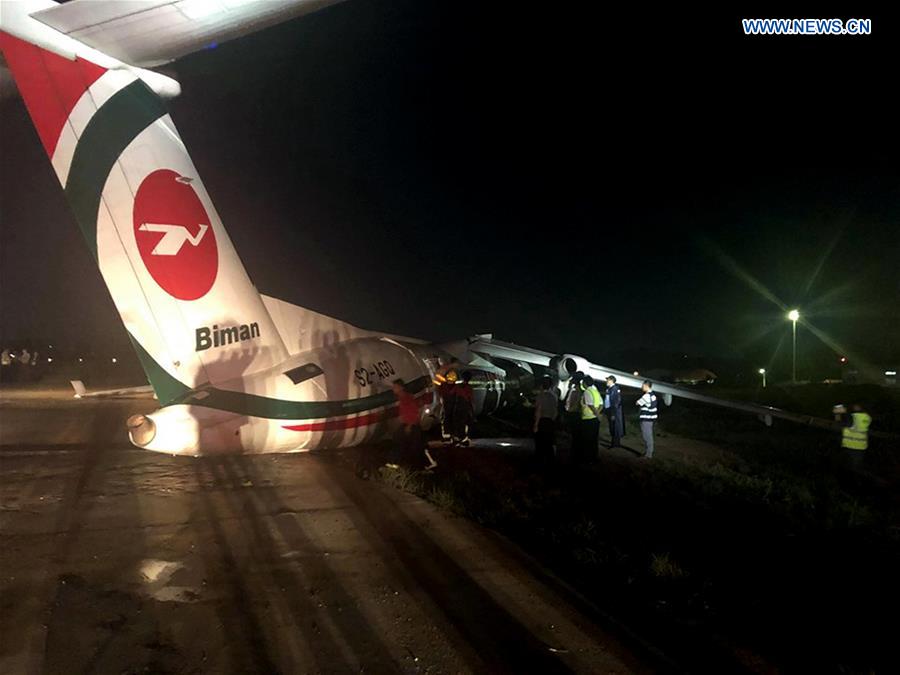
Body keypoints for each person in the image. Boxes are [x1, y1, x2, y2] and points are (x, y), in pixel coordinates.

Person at [392, 379, 437, 469]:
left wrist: (410, 425)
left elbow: (414, 412)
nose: (393, 389)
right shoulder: (402, 398)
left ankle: (426, 464)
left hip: (412, 426)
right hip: (407, 425)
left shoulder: (407, 398)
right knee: (403, 443)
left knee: (415, 447)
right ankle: (402, 463)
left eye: (395, 387)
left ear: (401, 387)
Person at [533, 376, 559, 462]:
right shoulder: (554, 396)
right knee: (549, 443)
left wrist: (536, 425)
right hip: (551, 421)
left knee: (540, 443)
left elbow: (539, 410)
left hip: (542, 421)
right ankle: (550, 461)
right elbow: (555, 411)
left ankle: (539, 461)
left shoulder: (540, 396)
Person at [840, 403, 872, 472]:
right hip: (861, 447)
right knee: (856, 467)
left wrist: (838, 414)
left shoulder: (852, 417)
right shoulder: (867, 417)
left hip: (849, 446)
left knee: (847, 468)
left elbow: (840, 422)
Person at [578, 376, 602, 462]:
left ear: (585, 383)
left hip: (588, 419)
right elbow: (601, 404)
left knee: (587, 440)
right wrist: (598, 414)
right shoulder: (595, 391)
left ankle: (587, 458)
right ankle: (594, 457)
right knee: (594, 440)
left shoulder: (587, 392)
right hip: (594, 419)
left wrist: (596, 414)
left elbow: (590, 405)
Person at [451, 371, 475, 446]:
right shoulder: (469, 387)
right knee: (464, 422)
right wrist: (472, 409)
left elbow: (451, 393)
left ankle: (456, 437)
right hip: (465, 406)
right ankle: (463, 438)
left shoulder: (457, 386)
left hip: (457, 405)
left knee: (456, 422)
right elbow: (470, 399)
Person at [636, 380, 658, 459]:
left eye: (642, 385)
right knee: (649, 436)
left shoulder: (646, 396)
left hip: (646, 418)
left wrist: (638, 401)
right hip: (651, 419)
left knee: (647, 436)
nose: (641, 387)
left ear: (646, 386)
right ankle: (648, 453)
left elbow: (638, 403)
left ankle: (648, 455)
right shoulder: (653, 395)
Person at [604, 375, 625, 448]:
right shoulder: (610, 389)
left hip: (613, 411)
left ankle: (615, 444)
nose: (606, 381)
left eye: (607, 380)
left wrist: (613, 413)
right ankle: (615, 443)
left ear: (611, 381)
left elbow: (615, 402)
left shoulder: (614, 389)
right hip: (610, 411)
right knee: (613, 427)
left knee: (615, 427)